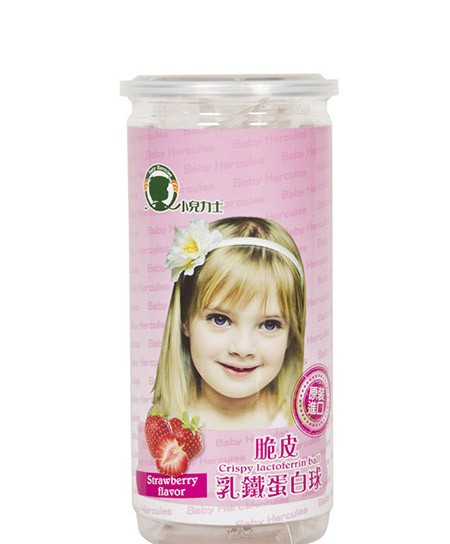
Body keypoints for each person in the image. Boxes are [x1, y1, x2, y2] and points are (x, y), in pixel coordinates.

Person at [152, 217, 306, 429]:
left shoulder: (300, 420)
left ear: (291, 333)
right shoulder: (161, 420)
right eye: (220, 319)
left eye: (269, 325)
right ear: (185, 319)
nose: (242, 349)